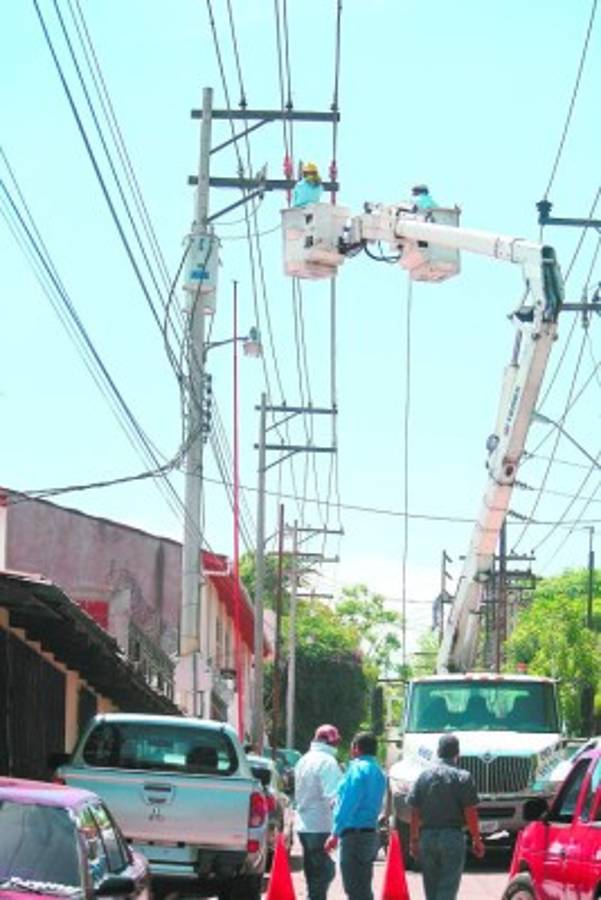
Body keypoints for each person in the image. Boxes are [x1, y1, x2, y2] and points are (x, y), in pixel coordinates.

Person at [408, 733, 484, 900]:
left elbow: (414, 811)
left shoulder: (423, 776)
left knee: (431, 888)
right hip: (452, 836)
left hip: (427, 837)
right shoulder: (463, 777)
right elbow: (470, 811)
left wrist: (414, 840)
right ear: (458, 753)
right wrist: (476, 839)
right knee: (448, 888)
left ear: (438, 752)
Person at [324, 732, 386, 900]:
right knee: (364, 885)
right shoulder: (379, 771)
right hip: (370, 833)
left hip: (353, 834)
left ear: (356, 748)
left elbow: (349, 802)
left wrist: (335, 832)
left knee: (353, 887)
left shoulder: (357, 769)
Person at [295, 724, 344, 900]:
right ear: (330, 742)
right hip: (321, 826)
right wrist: (339, 828)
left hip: (304, 826)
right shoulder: (328, 762)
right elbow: (334, 798)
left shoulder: (303, 760)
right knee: (323, 876)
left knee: (313, 877)